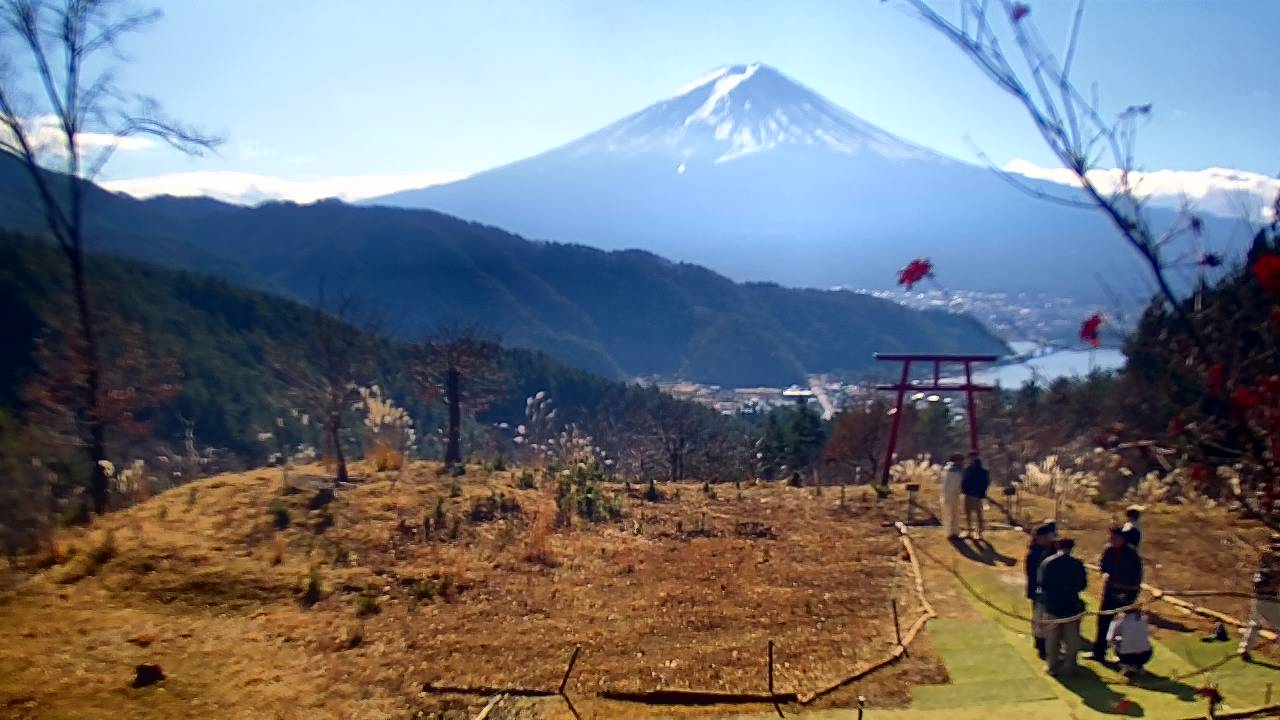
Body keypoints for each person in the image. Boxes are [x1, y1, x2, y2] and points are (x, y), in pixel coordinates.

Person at [1092, 526, 1144, 662]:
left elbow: (1136, 578)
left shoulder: (1133, 555)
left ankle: (1124, 656)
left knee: (1124, 627)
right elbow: (1103, 566)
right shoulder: (1109, 551)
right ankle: (1098, 652)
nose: (1111, 540)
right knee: (1103, 622)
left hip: (1127, 594)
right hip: (1110, 592)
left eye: (1114, 538)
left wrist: (1129, 594)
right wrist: (1104, 574)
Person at [1039, 537, 1088, 676]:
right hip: (1071, 605)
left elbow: (1042, 584)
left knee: (1052, 639)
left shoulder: (1047, 563)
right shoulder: (1077, 564)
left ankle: (1052, 666)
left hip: (1052, 605)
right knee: (1072, 639)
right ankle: (1070, 666)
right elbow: (1083, 585)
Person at [1240, 533, 1280, 662]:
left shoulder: (1266, 556)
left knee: (1255, 623)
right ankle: (1245, 649)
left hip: (1258, 595)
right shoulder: (1273, 558)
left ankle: (1244, 649)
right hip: (1268, 597)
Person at [1025, 521, 1057, 658]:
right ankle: (1041, 645)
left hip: (1050, 592)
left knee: (1050, 620)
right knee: (1039, 619)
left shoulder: (1052, 551)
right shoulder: (1034, 554)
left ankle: (1049, 644)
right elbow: (1033, 576)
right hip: (1039, 591)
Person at [1107, 610, 1153, 679]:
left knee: (1117, 642)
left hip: (1127, 656)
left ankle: (1127, 665)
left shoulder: (1116, 620)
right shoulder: (1144, 618)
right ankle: (1137, 665)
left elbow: (1110, 639)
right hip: (1146, 655)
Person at [961, 452, 990, 539]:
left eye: (973, 457)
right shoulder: (967, 469)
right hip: (967, 494)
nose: (971, 459)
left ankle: (980, 532)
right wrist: (964, 489)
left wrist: (981, 493)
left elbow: (985, 483)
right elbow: (964, 480)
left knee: (978, 514)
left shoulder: (982, 470)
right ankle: (969, 531)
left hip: (977, 494)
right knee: (967, 513)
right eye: (970, 458)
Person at [941, 453, 964, 539]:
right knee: (949, 514)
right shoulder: (948, 470)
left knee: (956, 514)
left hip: (957, 495)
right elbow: (945, 485)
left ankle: (956, 532)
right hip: (949, 495)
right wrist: (945, 496)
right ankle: (950, 533)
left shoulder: (960, 470)